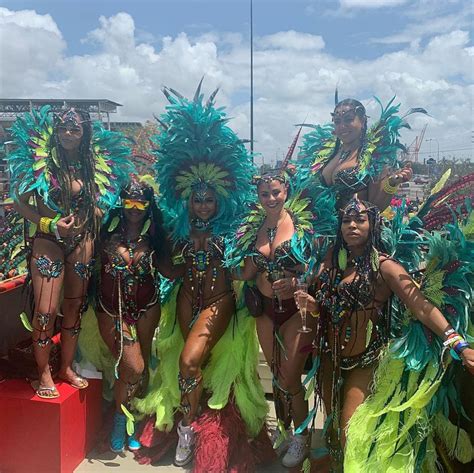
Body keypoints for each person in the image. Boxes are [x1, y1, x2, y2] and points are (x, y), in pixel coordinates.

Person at [134, 83, 269, 472]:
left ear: (219, 200)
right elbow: (170, 268)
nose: (203, 204)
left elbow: (245, 268)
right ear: (188, 199)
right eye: (197, 199)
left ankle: (188, 428)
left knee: (191, 361)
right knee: (187, 362)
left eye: (209, 199)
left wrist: (233, 257)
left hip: (219, 301)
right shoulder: (180, 230)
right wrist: (158, 258)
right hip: (185, 299)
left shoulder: (231, 231)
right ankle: (192, 417)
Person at [298, 197, 474, 471]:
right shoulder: (333, 261)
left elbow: (422, 308)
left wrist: (459, 344)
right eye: (346, 221)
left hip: (364, 361)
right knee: (332, 428)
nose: (352, 226)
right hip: (329, 360)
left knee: (351, 435)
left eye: (360, 220)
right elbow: (332, 308)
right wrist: (314, 307)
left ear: (373, 225)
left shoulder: (385, 267)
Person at [8, 106, 131, 398]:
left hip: (82, 242)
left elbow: (105, 200)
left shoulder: (93, 166)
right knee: (45, 311)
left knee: (75, 308)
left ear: (84, 133)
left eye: (74, 129)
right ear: (55, 130)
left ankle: (65, 367)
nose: (67, 134)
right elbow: (21, 203)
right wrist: (49, 223)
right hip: (48, 242)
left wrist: (93, 216)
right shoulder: (40, 163)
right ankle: (43, 372)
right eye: (63, 128)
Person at [227, 168, 333, 469]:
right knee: (277, 376)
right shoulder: (253, 227)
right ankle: (286, 430)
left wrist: (299, 283)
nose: (271, 198)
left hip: (297, 312)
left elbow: (320, 264)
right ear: (258, 196)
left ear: (286, 191)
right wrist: (218, 264)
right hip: (264, 309)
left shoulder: (303, 224)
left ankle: (301, 437)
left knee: (289, 376)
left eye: (276, 192)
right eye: (264, 194)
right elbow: (247, 272)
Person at [95, 179, 171, 453]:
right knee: (133, 366)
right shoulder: (106, 230)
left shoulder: (156, 235)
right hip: (111, 309)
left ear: (149, 205)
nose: (135, 208)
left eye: (141, 202)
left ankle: (135, 421)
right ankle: (119, 419)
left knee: (142, 368)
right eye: (129, 201)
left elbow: (170, 270)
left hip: (147, 306)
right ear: (121, 202)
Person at [298, 96, 426, 210]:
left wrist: (392, 183)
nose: (342, 126)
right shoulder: (325, 153)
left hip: (353, 231)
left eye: (348, 120)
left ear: (363, 121)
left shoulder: (375, 154)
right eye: (337, 121)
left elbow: (376, 205)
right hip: (322, 232)